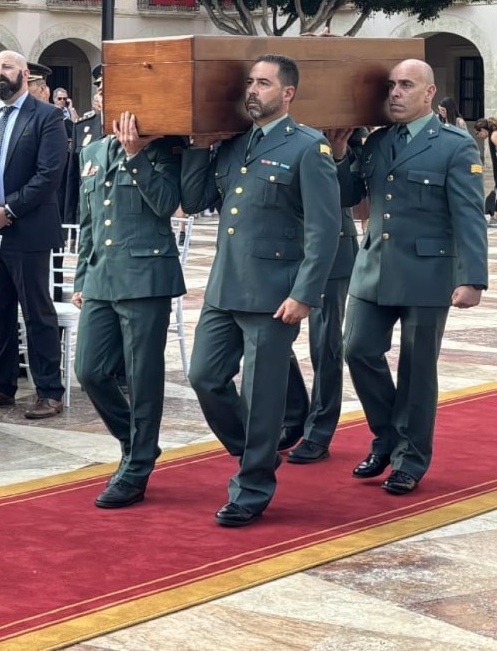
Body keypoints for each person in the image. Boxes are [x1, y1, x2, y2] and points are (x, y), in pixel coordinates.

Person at [180, 54, 341, 527]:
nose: (253, 90)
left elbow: (324, 230)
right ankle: (258, 451)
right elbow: (194, 201)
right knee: (204, 377)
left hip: (275, 295)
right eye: (250, 82)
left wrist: (304, 294)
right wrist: (197, 146)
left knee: (262, 394)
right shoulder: (234, 145)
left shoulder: (309, 148)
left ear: (287, 93)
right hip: (225, 286)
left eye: (264, 83)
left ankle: (251, 488)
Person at [336, 58, 487, 496]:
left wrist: (472, 277)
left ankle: (410, 459)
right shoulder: (379, 142)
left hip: (428, 271)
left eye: (406, 85)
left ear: (429, 93)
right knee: (357, 350)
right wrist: (344, 152)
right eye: (391, 86)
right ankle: (387, 437)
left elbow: (469, 216)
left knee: (417, 370)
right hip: (374, 266)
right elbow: (350, 195)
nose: (396, 93)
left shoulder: (455, 145)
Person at [72, 112, 184, 508]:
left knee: (142, 376)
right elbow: (89, 221)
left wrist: (136, 156)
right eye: (101, 91)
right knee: (89, 370)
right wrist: (81, 277)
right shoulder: (93, 149)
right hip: (101, 277)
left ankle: (136, 469)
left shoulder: (166, 147)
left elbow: (168, 204)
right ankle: (134, 442)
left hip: (146, 275)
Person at [0, 50, 69, 418]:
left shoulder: (47, 116)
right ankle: (1, 386)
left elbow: (49, 174)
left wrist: (9, 210)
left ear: (25, 74)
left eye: (7, 67)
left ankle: (49, 391)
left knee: (37, 312)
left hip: (27, 230)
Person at [281, 128, 365, 463]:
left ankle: (319, 429)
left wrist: (340, 153)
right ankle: (294, 411)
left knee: (325, 345)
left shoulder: (344, 125)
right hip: (281, 246)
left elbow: (350, 192)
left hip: (332, 250)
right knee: (270, 335)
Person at [63, 67, 105, 225]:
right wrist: (70, 228)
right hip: (86, 217)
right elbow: (72, 181)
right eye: (100, 88)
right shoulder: (83, 127)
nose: (101, 91)